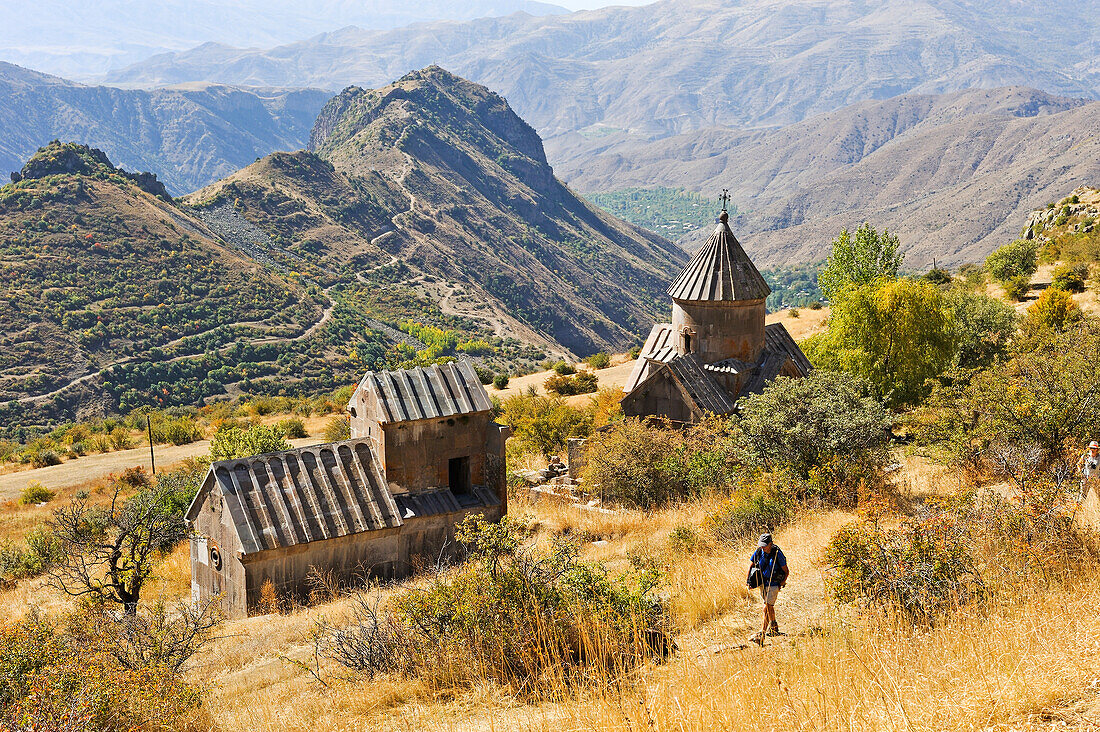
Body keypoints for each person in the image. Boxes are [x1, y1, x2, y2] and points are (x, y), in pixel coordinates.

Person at [749, 533, 788, 645]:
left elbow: (786, 571)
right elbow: (751, 565)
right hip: (763, 583)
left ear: (771, 544)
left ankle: (762, 634)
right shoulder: (758, 552)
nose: (762, 547)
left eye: (765, 545)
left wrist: (781, 583)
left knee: (766, 606)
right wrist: (749, 581)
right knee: (769, 605)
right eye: (761, 545)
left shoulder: (777, 554)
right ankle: (774, 626)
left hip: (774, 584)